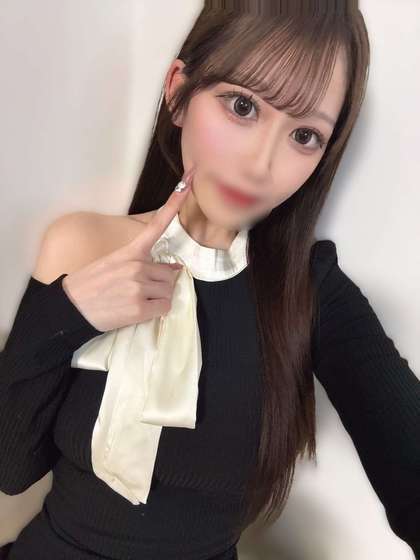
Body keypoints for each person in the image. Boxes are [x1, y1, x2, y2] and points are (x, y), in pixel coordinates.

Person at [1, 2, 419, 559]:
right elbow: (10, 467)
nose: (260, 165)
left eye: (304, 136)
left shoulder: (311, 291)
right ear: (178, 94)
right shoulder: (82, 243)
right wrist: (69, 312)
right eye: (243, 106)